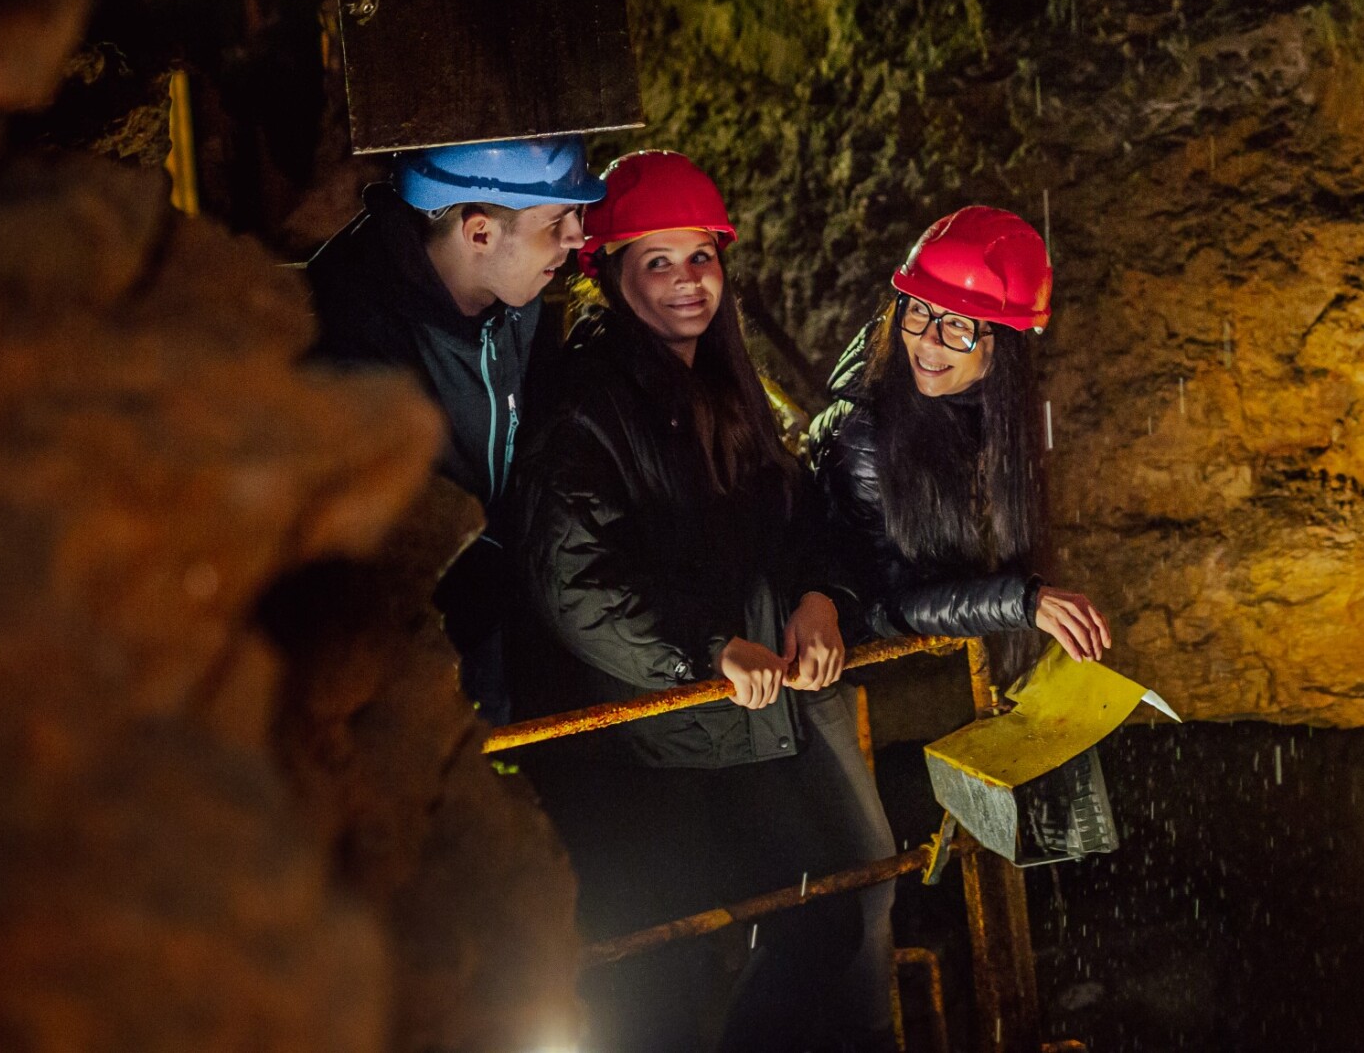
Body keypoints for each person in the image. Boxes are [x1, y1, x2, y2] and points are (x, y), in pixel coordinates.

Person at [508, 151, 895, 1053]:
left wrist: (821, 598)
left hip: (734, 728)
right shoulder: (588, 404)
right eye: (658, 261)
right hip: (640, 747)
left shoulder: (725, 386)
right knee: (656, 987)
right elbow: (574, 582)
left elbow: (793, 517)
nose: (688, 281)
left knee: (822, 921)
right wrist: (704, 649)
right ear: (609, 273)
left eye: (701, 257)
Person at [305, 134, 602, 720]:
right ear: (480, 233)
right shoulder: (348, 328)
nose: (577, 237)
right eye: (556, 220)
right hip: (408, 652)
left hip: (499, 623)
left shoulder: (513, 298)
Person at [812, 206, 1111, 682]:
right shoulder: (866, 437)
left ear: (1005, 343)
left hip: (951, 665)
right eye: (918, 310)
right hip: (876, 679)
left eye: (958, 324)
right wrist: (1022, 602)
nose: (929, 342)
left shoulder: (995, 414)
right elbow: (881, 604)